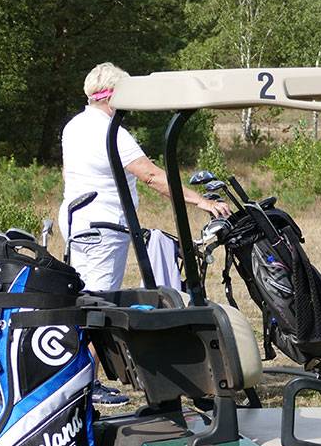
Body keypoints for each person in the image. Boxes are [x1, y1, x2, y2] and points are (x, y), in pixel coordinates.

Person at [59, 62, 231, 406]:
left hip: (79, 222)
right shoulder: (111, 132)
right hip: (103, 227)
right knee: (97, 305)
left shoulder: (74, 125)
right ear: (114, 95)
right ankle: (85, 385)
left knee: (87, 299)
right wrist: (201, 201)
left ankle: (80, 379)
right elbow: (152, 176)